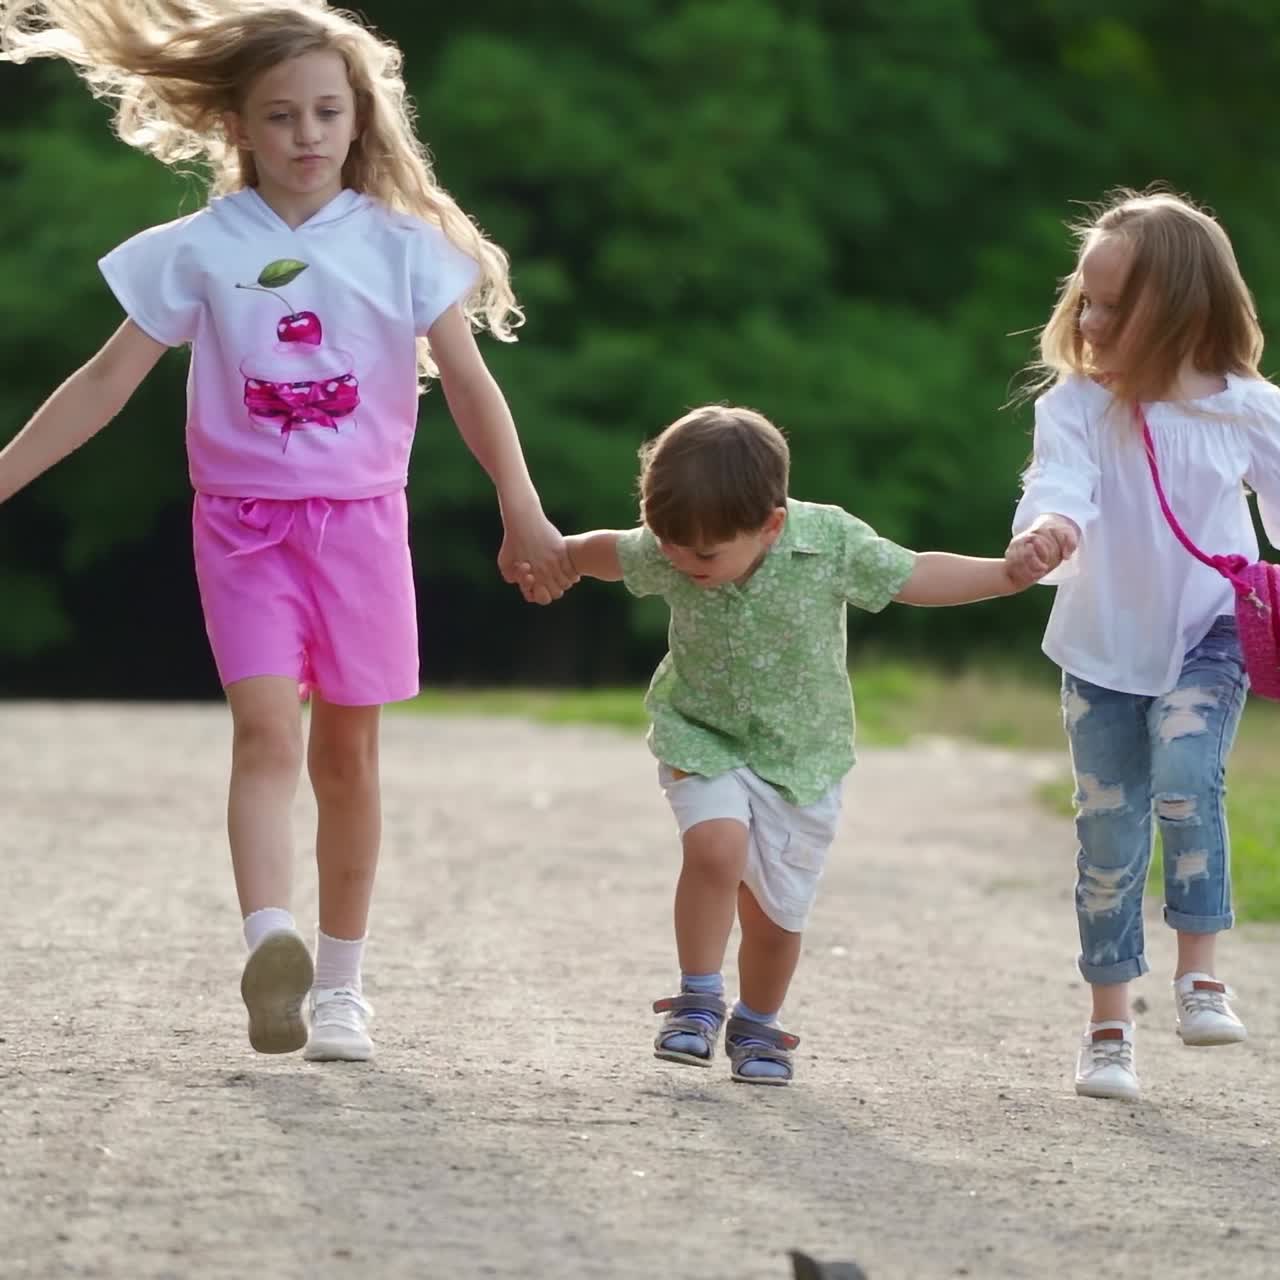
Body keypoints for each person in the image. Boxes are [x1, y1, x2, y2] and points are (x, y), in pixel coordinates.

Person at [0, 0, 576, 1062]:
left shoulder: (405, 249)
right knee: (266, 733)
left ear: (359, 120)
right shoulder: (201, 249)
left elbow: (472, 385)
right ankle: (273, 945)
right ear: (238, 129)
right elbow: (105, 380)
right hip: (242, 527)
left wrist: (522, 504)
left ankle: (343, 989)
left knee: (348, 757)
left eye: (326, 111)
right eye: (281, 116)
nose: (306, 135)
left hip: (362, 527)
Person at [528, 404, 1056, 1085]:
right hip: (702, 730)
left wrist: (1005, 575)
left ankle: (757, 1022)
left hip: (802, 756)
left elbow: (914, 575)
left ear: (770, 526)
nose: (683, 563)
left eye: (704, 553)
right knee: (716, 848)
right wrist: (556, 558)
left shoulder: (829, 542)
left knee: (776, 917)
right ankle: (696, 999)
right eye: (670, 546)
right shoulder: (674, 546)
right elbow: (606, 550)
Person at [1005, 187, 1280, 1102]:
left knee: (1186, 770)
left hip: (1210, 627)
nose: (1090, 320)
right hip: (1102, 644)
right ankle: (1109, 1029)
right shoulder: (1077, 406)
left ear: (1181, 308)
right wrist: (1047, 531)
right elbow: (1063, 485)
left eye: (1116, 305)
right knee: (1109, 837)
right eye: (1085, 299)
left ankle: (1201, 971)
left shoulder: (1247, 409)